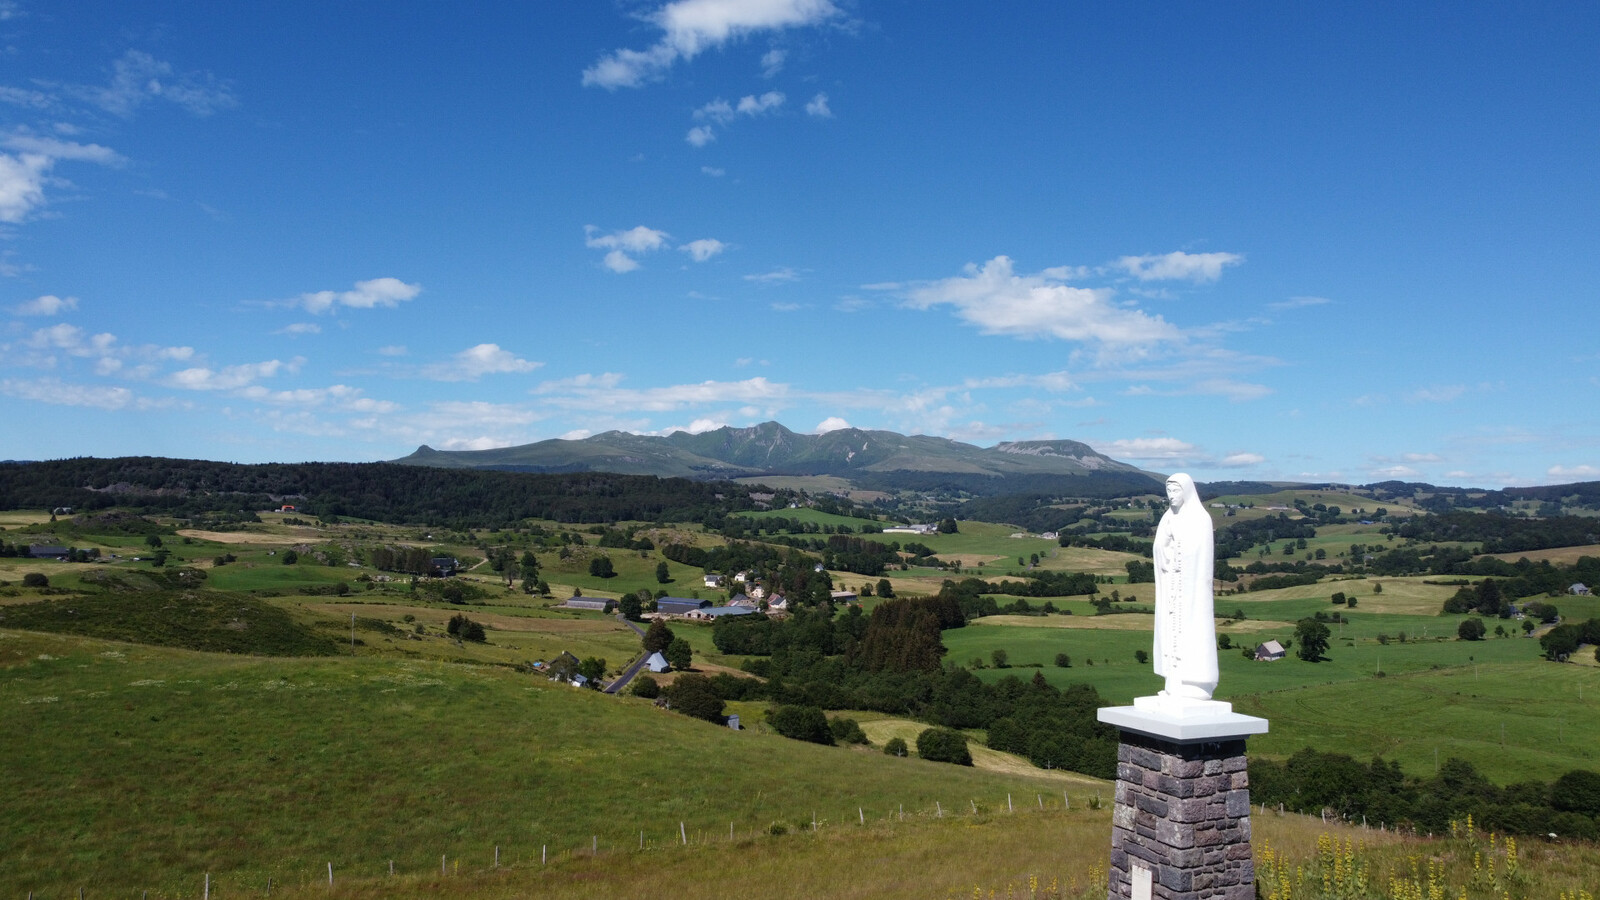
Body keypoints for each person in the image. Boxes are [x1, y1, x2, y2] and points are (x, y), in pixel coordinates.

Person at [1151, 473, 1218, 701]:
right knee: (1171, 635)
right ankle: (1173, 682)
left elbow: (1200, 554)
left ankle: (1196, 683)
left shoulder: (1200, 518)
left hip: (1192, 591)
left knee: (1193, 632)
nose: (1171, 496)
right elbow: (1159, 547)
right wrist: (1164, 546)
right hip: (1173, 589)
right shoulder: (1167, 518)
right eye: (1168, 491)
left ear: (1187, 491)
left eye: (1176, 490)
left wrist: (1179, 547)